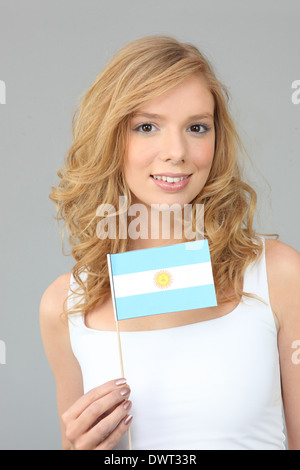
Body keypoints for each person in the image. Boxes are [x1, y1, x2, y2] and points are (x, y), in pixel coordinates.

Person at [39, 35, 300, 450]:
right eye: (147, 127)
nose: (177, 151)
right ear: (111, 139)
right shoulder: (65, 305)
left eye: (197, 127)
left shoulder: (279, 275)